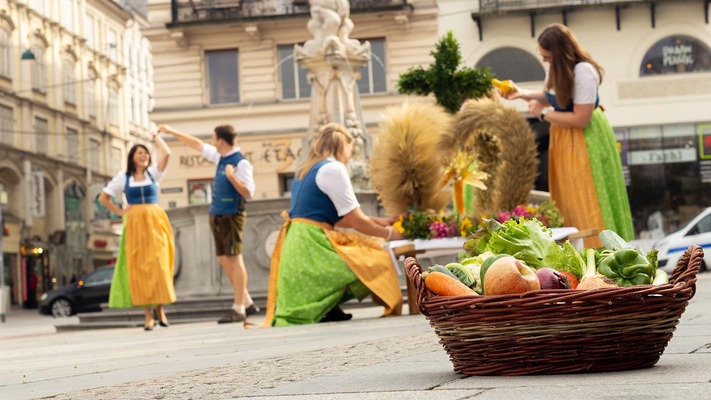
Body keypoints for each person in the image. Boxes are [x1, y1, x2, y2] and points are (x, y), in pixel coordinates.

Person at [500, 23, 634, 248]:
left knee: (589, 195)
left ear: (560, 54)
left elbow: (581, 117)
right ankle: (579, 252)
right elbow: (551, 96)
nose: (544, 60)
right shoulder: (556, 68)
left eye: (547, 56)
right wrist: (520, 94)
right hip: (564, 138)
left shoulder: (584, 72)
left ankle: (602, 251)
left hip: (585, 138)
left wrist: (543, 114)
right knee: (569, 199)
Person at [263, 123, 405, 327]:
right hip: (313, 242)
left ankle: (328, 307)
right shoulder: (334, 169)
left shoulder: (305, 169)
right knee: (377, 258)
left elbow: (337, 217)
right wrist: (391, 234)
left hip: (298, 240)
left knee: (359, 261)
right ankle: (327, 306)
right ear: (343, 145)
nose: (350, 155)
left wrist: (380, 221)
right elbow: (355, 221)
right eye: (351, 148)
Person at [159, 124, 258, 324]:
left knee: (235, 259)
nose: (212, 142)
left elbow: (249, 192)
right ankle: (246, 301)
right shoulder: (219, 156)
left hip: (232, 215)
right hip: (218, 214)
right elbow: (197, 145)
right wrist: (173, 132)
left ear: (220, 140)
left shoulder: (241, 163)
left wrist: (231, 177)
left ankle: (239, 308)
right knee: (223, 258)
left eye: (213, 138)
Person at [99, 133, 176, 331]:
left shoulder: (154, 174)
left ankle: (160, 309)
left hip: (155, 223)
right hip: (135, 226)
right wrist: (121, 212)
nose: (144, 156)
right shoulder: (124, 178)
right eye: (140, 153)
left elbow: (167, 152)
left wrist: (156, 136)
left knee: (159, 265)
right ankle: (148, 315)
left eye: (146, 153)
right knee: (139, 268)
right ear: (132, 156)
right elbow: (103, 197)